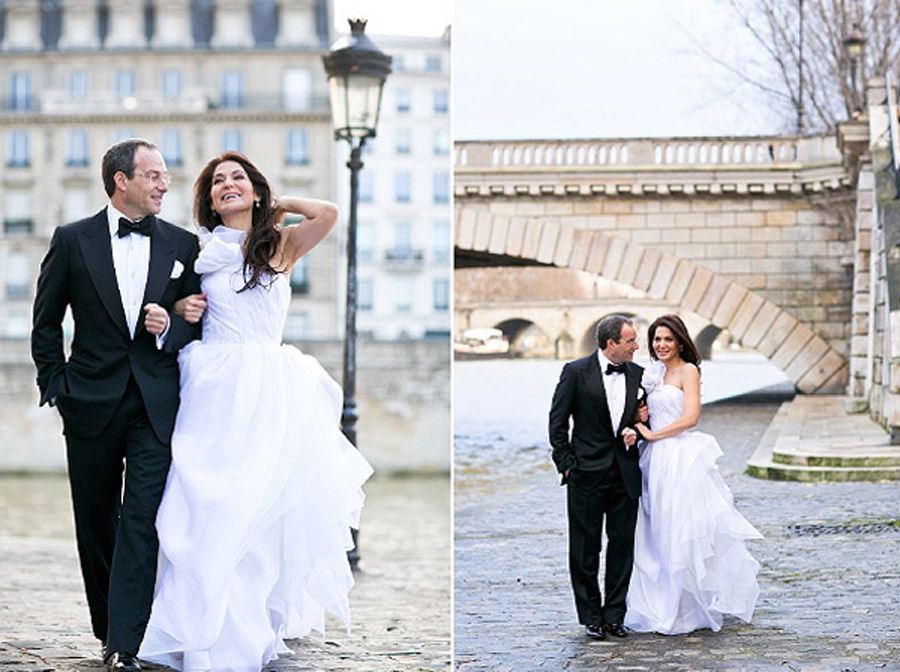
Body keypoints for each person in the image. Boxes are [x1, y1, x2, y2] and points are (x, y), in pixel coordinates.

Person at [138, 151, 373, 672]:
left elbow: (329, 213)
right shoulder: (196, 253)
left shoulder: (280, 244)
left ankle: (241, 636)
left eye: (237, 178)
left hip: (265, 389)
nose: (227, 185)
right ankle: (195, 628)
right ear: (207, 198)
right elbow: (174, 307)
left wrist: (274, 203)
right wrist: (179, 310)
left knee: (254, 508)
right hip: (210, 387)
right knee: (201, 508)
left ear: (255, 188)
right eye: (218, 181)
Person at [31, 138, 202, 672]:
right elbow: (44, 322)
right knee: (96, 522)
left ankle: (126, 644)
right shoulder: (72, 239)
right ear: (120, 180)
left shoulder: (182, 244)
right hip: (89, 401)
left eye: (165, 174)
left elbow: (195, 322)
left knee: (141, 520)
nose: (163, 183)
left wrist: (168, 326)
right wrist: (56, 384)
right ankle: (109, 630)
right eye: (152, 174)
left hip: (155, 405)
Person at [624, 314, 762, 635]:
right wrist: (639, 416)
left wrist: (653, 434)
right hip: (652, 460)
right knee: (653, 529)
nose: (661, 345)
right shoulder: (652, 374)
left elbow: (691, 418)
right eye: (657, 339)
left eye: (668, 340)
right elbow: (641, 409)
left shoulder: (689, 371)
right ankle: (654, 602)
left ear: (680, 341)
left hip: (677, 457)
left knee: (679, 527)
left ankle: (683, 608)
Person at [548, 314, 643, 641]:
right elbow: (557, 422)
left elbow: (643, 420)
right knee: (584, 550)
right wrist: (567, 464)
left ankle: (615, 616)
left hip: (625, 473)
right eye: (630, 341)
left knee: (622, 549)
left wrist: (635, 431)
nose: (636, 346)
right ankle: (591, 616)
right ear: (610, 343)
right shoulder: (575, 372)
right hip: (585, 475)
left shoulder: (638, 374)